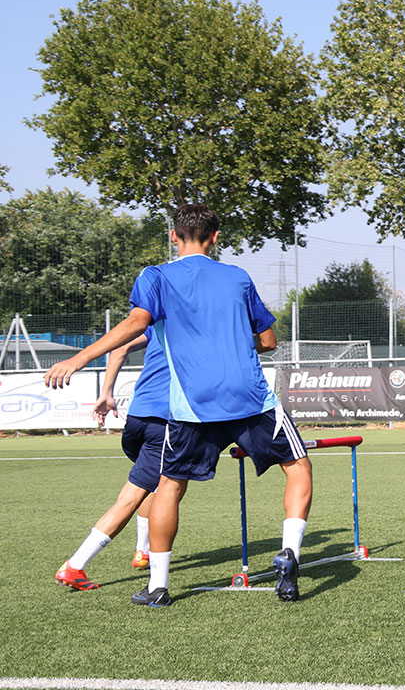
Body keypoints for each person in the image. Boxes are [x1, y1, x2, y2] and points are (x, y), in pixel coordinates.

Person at [46, 204, 315, 606]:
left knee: (168, 486)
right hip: (249, 396)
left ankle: (158, 587)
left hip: (190, 404)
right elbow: (269, 342)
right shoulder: (238, 277)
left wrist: (78, 358)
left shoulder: (155, 275)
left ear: (174, 236)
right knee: (298, 467)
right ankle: (289, 550)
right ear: (215, 238)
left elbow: (137, 322)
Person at [48, 330, 170, 590]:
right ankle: (75, 566)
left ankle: (143, 552)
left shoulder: (158, 321)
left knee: (153, 485)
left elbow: (120, 348)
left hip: (137, 419)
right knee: (155, 492)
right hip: (165, 421)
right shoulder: (194, 325)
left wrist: (107, 393)